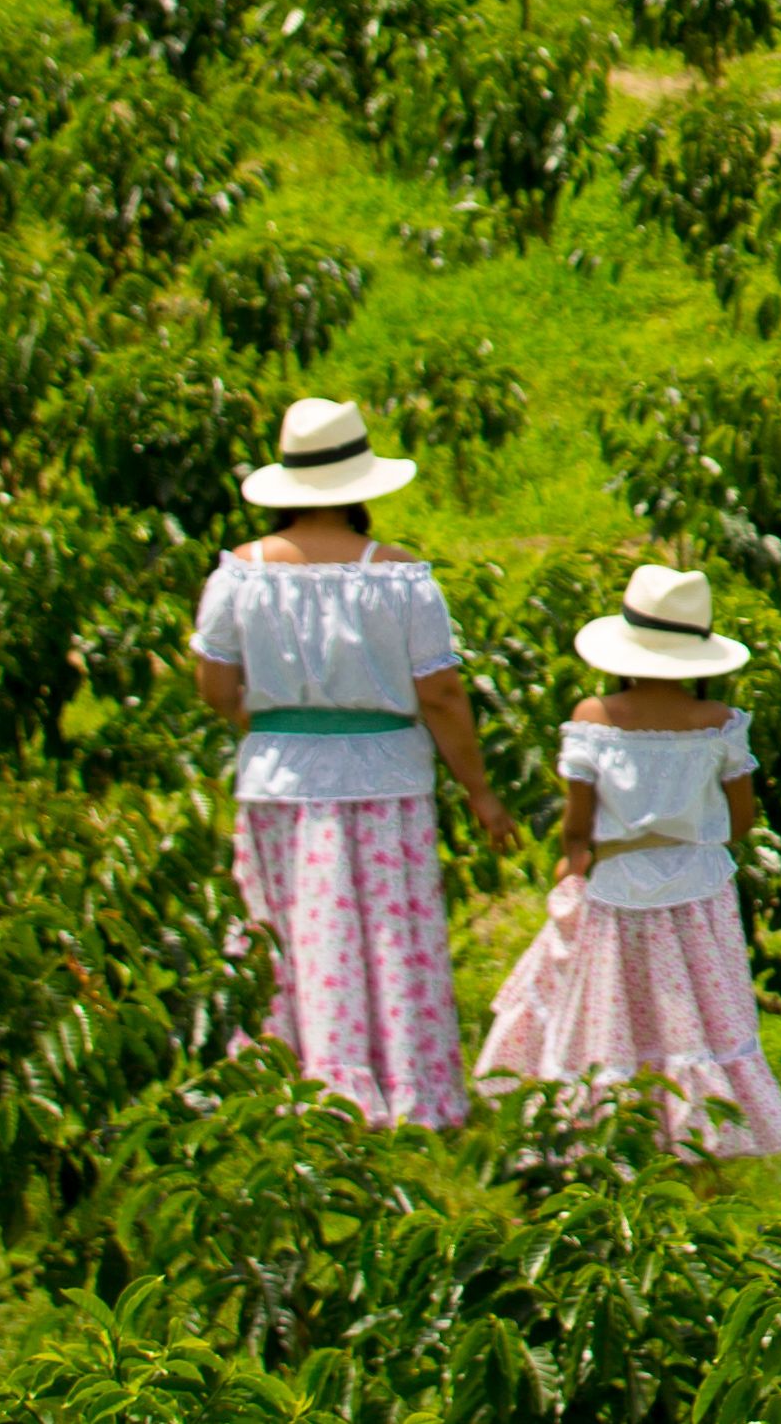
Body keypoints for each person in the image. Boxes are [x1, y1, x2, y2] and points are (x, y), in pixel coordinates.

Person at [188, 395, 518, 1129]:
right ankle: (403, 1084)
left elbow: (215, 684)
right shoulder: (399, 578)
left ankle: (297, 1080)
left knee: (295, 929)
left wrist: (273, 725)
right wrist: (479, 791)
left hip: (278, 778)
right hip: (384, 777)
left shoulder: (239, 575)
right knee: (388, 933)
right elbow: (441, 694)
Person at [475, 562, 781, 1157]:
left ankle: (611, 1136)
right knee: (698, 1015)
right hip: (699, 891)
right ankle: (701, 1137)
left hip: (618, 887)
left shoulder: (594, 719)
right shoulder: (719, 725)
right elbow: (741, 820)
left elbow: (577, 824)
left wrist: (576, 862)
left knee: (617, 1012)